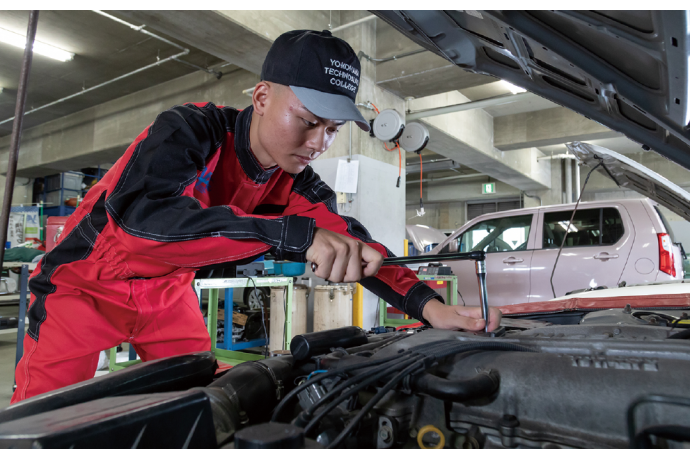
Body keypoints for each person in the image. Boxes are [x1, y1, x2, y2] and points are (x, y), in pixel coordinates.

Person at [12, 30, 501, 404]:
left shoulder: (299, 183)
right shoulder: (191, 130)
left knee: (203, 404)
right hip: (82, 286)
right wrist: (289, 235)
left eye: (331, 129)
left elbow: (355, 245)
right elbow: (142, 224)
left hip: (166, 294)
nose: (318, 143)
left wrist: (430, 307)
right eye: (308, 122)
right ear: (262, 97)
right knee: (46, 418)